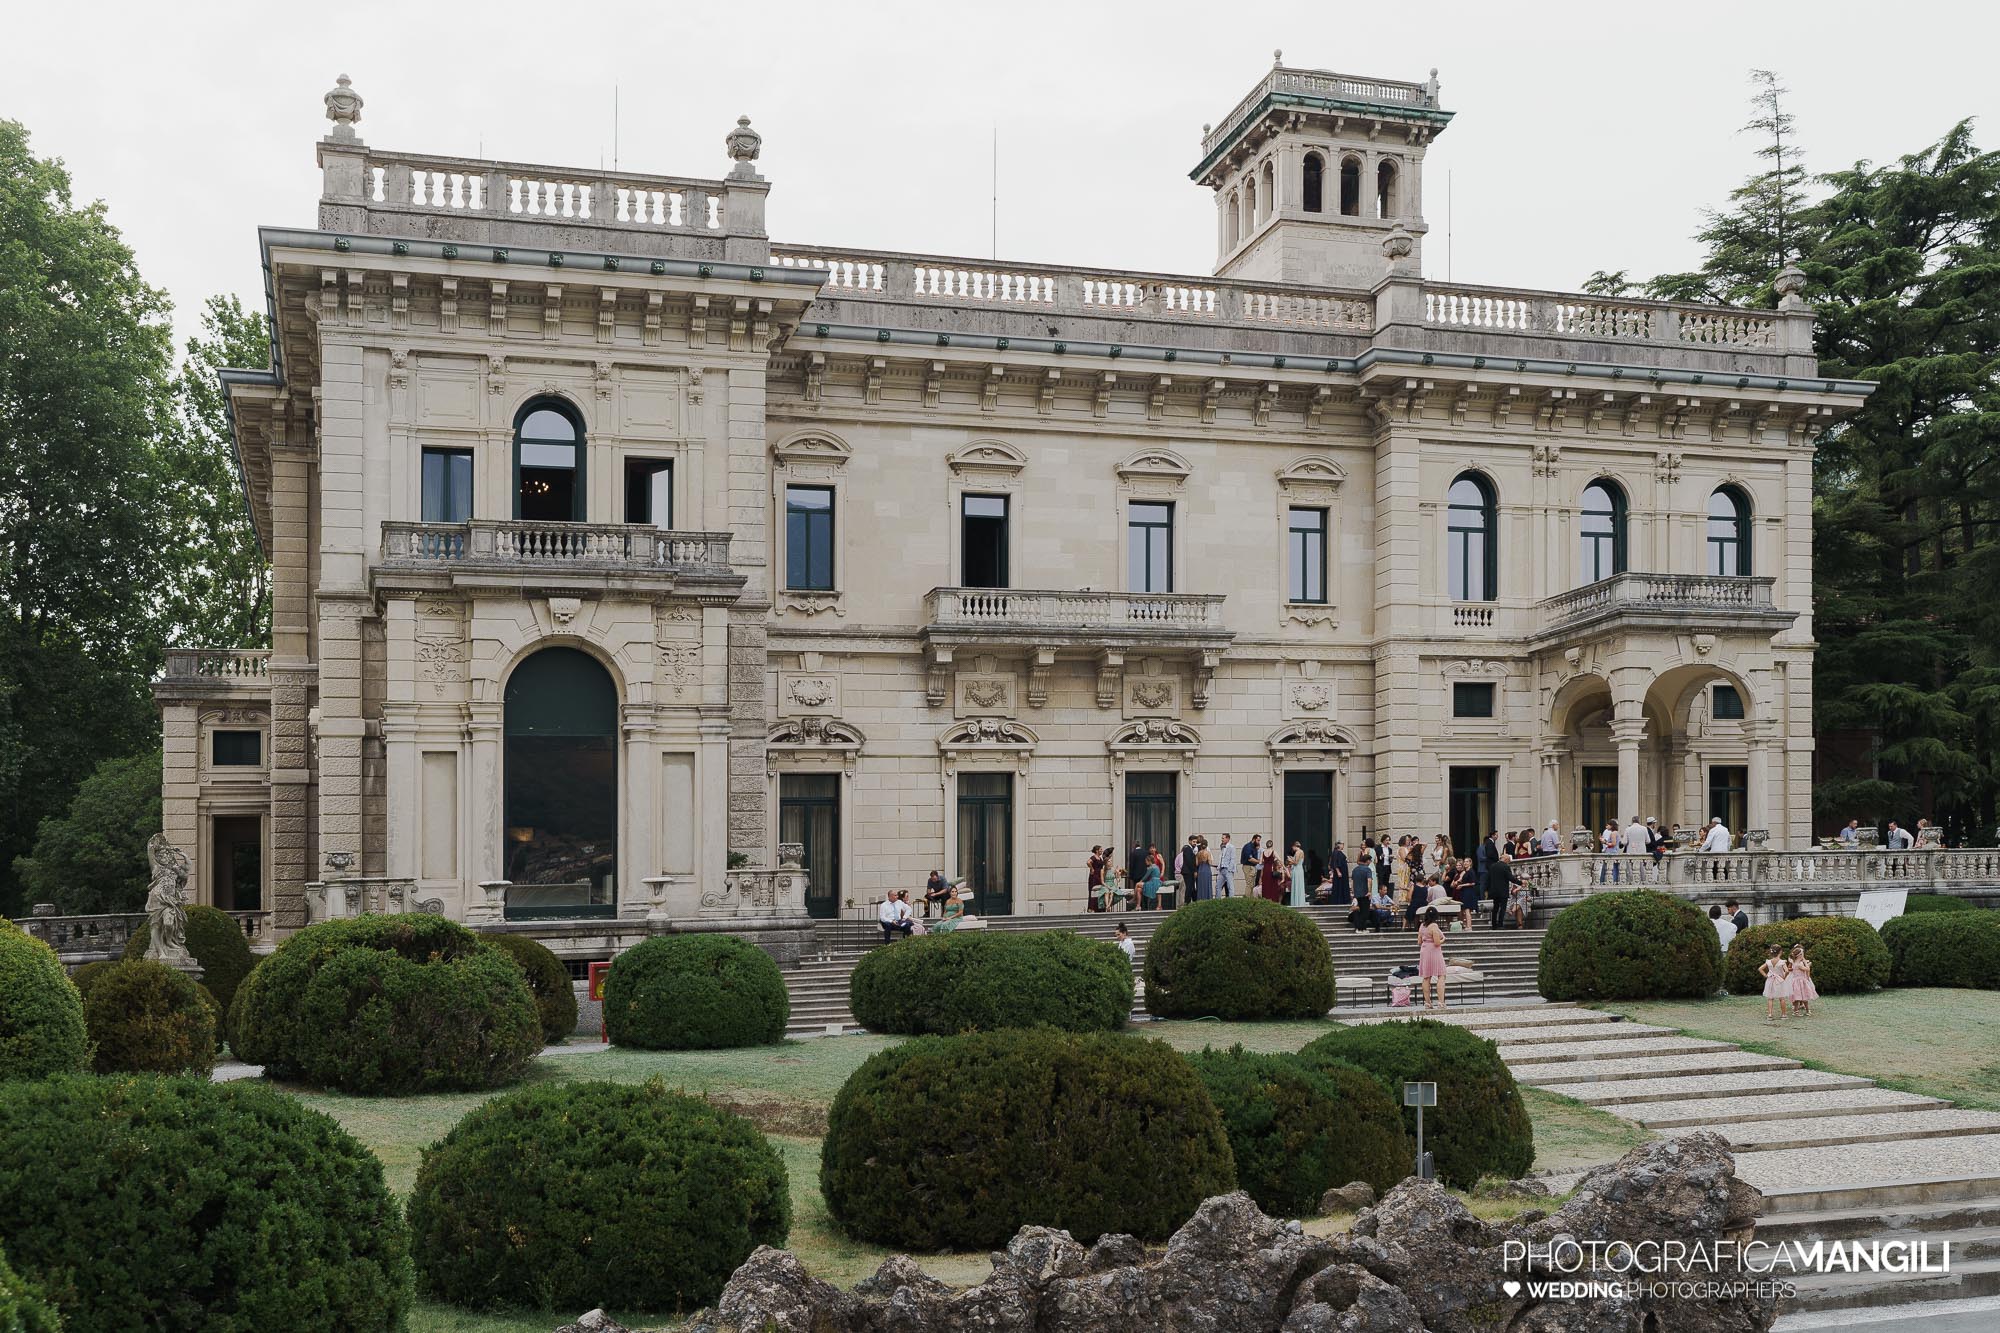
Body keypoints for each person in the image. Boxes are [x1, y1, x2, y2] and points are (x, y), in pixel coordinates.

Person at [1417, 906, 1448, 1010]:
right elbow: (1437, 942)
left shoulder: (1422, 925)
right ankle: (1441, 1002)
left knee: (1426, 977)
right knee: (1441, 975)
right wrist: (1444, 939)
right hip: (1434, 951)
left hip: (1424, 950)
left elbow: (1419, 942)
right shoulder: (1434, 926)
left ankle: (1427, 1002)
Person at [1758, 945, 1788, 1021]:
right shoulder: (1782, 962)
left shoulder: (1768, 962)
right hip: (1779, 981)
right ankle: (1783, 1015)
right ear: (1780, 952)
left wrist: (1766, 975)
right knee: (1782, 998)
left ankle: (1770, 1015)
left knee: (1770, 998)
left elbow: (1760, 969)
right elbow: (1787, 971)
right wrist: (1784, 977)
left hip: (1770, 980)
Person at [1788, 945, 1818, 1017]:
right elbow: (1807, 969)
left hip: (1796, 982)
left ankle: (1796, 1011)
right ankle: (1807, 1010)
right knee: (1804, 997)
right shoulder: (1799, 964)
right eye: (1802, 954)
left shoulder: (1794, 963)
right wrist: (1807, 964)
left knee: (1797, 998)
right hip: (1801, 982)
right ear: (1800, 955)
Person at [1487, 850, 1514, 929]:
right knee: (1503, 908)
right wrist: (1520, 882)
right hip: (1503, 891)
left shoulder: (1492, 866)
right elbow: (1511, 878)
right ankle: (1500, 924)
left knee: (1495, 908)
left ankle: (1494, 925)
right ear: (1506, 860)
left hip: (1494, 891)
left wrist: (1488, 890)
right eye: (1508, 861)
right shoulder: (1506, 866)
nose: (1508, 862)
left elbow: (1488, 879)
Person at [1623, 813, 1651, 881]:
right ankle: (1643, 881)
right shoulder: (1644, 828)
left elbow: (1624, 842)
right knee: (1642, 868)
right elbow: (1648, 841)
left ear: (1632, 821)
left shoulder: (1628, 829)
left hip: (1631, 851)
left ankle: (1631, 881)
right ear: (1639, 821)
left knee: (1631, 869)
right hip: (1642, 851)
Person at [1216, 833, 1237, 898]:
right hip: (1222, 869)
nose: (1222, 839)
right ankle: (1217, 901)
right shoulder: (1222, 847)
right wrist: (1219, 867)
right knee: (1218, 886)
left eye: (1223, 838)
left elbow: (1233, 858)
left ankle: (1231, 902)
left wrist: (1229, 869)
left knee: (1230, 886)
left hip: (1228, 869)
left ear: (1228, 839)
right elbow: (1221, 857)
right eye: (1222, 838)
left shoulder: (1231, 847)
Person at [1287, 841, 1307, 908]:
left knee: (1297, 885)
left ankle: (1297, 902)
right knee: (1298, 885)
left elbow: (1295, 863)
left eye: (1292, 847)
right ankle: (1299, 901)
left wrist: (1290, 859)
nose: (1292, 849)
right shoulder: (1301, 852)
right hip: (1299, 869)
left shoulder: (1299, 852)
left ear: (1294, 846)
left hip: (1297, 870)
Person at [1086, 845, 1105, 912]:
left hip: (1099, 876)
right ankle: (1091, 908)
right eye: (1100, 849)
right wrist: (1091, 868)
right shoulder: (1094, 857)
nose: (1102, 850)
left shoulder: (1100, 858)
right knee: (1093, 891)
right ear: (1097, 850)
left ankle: (1098, 907)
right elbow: (1088, 862)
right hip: (1094, 876)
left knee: (1100, 891)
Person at [1196, 837, 1215, 902]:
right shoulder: (1208, 853)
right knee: (1207, 885)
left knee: (1201, 885)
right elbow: (1210, 862)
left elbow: (1196, 864)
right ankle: (1207, 899)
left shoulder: (1198, 853)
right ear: (1206, 845)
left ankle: (1201, 899)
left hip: (1200, 870)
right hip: (1206, 869)